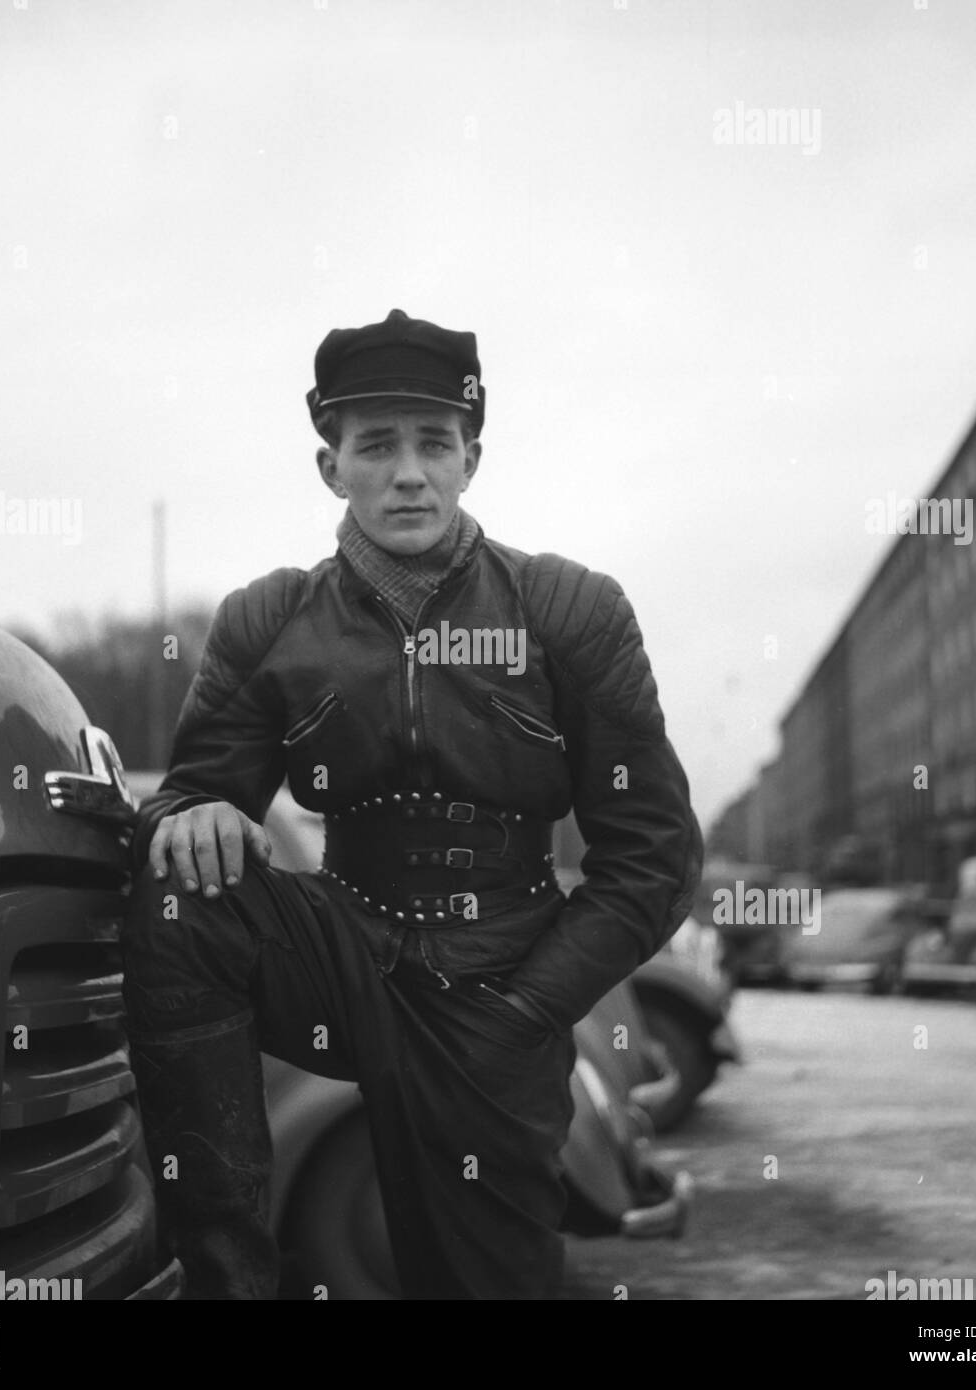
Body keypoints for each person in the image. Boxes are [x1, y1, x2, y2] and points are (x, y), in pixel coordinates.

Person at [121, 307, 703, 1300]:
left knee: (481, 1279)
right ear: (329, 464)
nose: (407, 471)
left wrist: (529, 1008)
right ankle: (227, 1278)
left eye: (434, 442)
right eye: (375, 444)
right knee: (179, 894)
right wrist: (193, 812)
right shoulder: (269, 620)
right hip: (343, 953)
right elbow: (188, 794)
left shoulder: (569, 611)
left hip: (502, 975)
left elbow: (656, 856)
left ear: (471, 457)